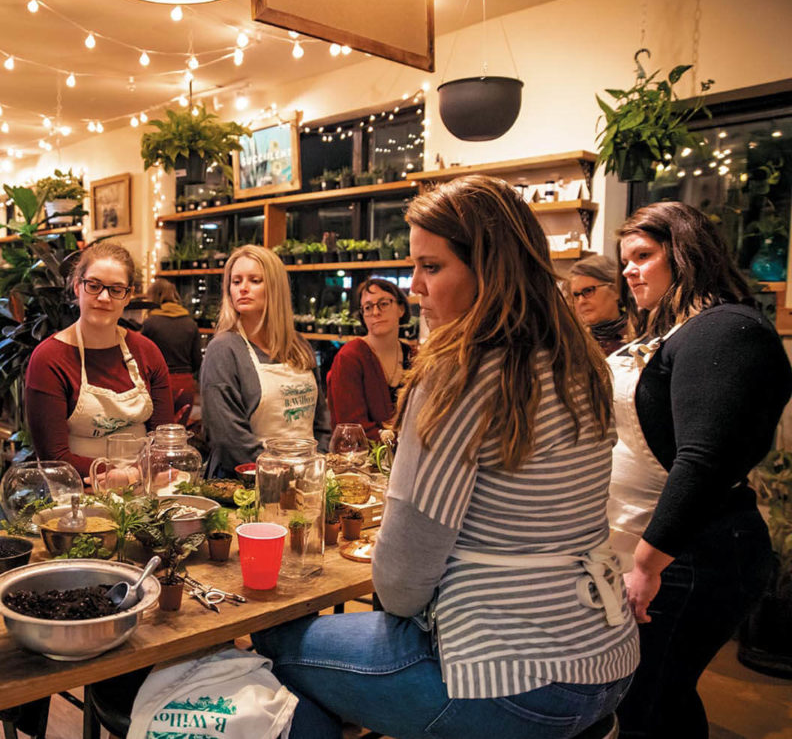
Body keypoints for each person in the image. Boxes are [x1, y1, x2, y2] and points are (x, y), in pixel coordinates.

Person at [251, 175, 638, 739]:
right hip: (610, 659)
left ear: (492, 268)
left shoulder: (459, 372)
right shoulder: (584, 364)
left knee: (276, 640)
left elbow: (403, 586)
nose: (414, 287)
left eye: (431, 267)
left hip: (508, 680)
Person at [607, 202, 789, 739]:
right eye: (625, 260)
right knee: (654, 695)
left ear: (684, 255)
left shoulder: (725, 330)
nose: (629, 271)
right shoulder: (675, 330)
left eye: (643, 255)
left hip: (693, 553)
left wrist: (646, 564)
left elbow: (704, 461)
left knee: (648, 701)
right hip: (660, 544)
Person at [24, 241, 174, 478]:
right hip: (77, 490)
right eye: (94, 286)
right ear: (77, 287)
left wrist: (133, 476)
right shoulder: (49, 359)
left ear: (128, 296)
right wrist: (118, 475)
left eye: (116, 289)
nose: (104, 297)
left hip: (146, 485)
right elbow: (54, 456)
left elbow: (165, 440)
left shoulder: (147, 352)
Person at [199, 244, 329, 477]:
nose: (243, 289)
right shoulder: (224, 349)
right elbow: (229, 438)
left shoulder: (299, 346)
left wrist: (319, 466)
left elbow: (320, 421)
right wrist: (284, 475)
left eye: (254, 280)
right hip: (248, 485)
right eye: (236, 281)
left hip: (309, 478)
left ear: (275, 287)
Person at [326, 277, 413, 442]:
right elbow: (353, 429)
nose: (375, 312)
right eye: (368, 307)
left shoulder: (414, 356)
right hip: (364, 461)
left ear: (401, 309)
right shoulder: (350, 358)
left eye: (384, 304)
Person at [140, 278, 202, 417]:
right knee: (180, 432)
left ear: (154, 296)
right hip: (185, 384)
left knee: (157, 432)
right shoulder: (190, 323)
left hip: (157, 384)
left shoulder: (150, 323)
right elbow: (197, 361)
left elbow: (142, 359)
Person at [569, 254, 631, 355]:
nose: (581, 301)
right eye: (576, 295)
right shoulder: (573, 345)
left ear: (615, 290)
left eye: (588, 291)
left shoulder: (641, 337)